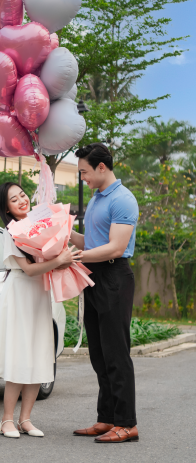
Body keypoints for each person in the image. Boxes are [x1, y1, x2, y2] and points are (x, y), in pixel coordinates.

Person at [0, 182, 82, 438]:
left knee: (38, 354)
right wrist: (57, 261)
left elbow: (47, 262)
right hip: (19, 293)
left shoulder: (39, 224)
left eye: (22, 195)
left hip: (40, 293)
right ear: (6, 209)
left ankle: (26, 419)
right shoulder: (10, 232)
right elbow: (29, 269)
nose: (21, 200)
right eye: (14, 199)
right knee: (19, 356)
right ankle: (7, 420)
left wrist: (61, 262)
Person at [69, 143, 140, 443]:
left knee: (116, 353)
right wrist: (64, 234)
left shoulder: (123, 199)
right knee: (99, 353)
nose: (82, 177)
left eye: (84, 171)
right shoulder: (97, 198)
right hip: (93, 275)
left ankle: (127, 424)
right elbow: (92, 241)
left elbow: (115, 248)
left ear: (101, 167)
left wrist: (75, 258)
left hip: (114, 276)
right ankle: (107, 418)